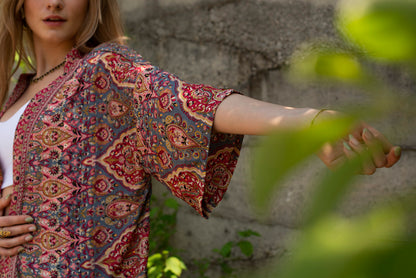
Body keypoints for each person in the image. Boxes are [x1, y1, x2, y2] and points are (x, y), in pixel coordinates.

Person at [0, 0, 401, 277]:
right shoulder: (13, 93)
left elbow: (188, 102)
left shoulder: (104, 71)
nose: (53, 2)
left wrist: (308, 121)